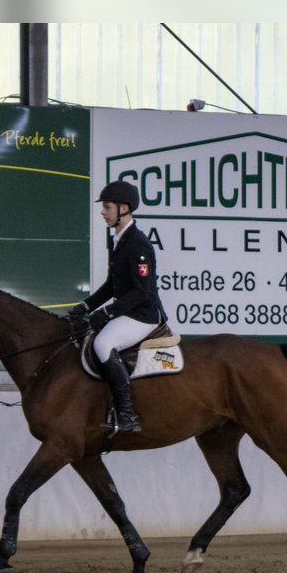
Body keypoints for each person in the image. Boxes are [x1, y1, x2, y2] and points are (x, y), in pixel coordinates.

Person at [67, 179, 165, 434]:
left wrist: (107, 313)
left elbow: (141, 291)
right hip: (129, 312)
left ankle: (127, 413)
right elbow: (112, 285)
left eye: (107, 207)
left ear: (124, 209)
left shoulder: (138, 243)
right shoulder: (119, 240)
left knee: (103, 343)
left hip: (143, 315)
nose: (103, 212)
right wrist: (85, 306)